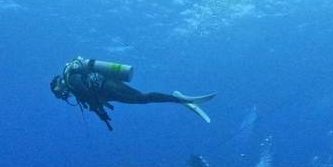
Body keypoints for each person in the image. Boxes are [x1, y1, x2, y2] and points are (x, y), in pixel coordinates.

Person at [50, 56, 216, 131]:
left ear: (59, 87)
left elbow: (89, 93)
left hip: (109, 89)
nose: (65, 96)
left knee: (143, 99)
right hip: (110, 85)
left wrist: (99, 110)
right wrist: (101, 112)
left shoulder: (71, 80)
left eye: (60, 94)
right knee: (143, 98)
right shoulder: (73, 80)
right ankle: (178, 99)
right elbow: (91, 97)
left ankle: (179, 99)